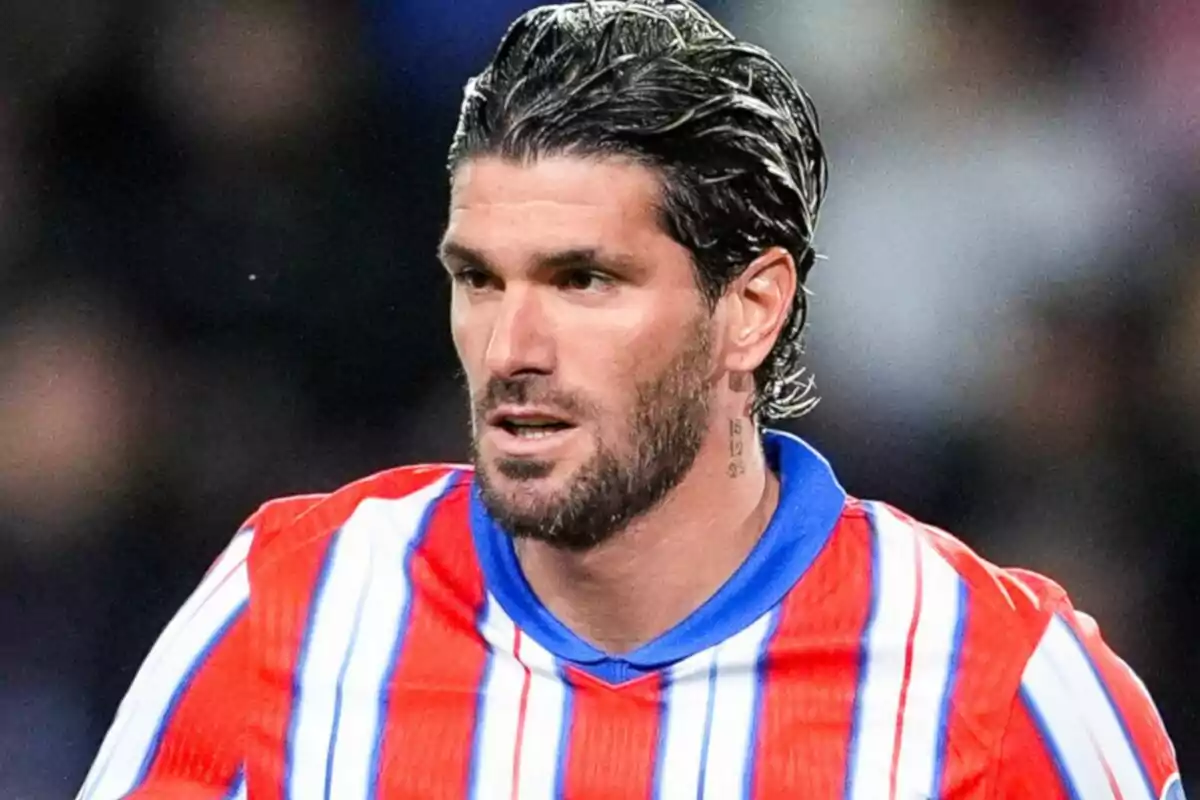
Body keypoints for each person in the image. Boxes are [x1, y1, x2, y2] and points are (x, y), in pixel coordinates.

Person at [77, 1, 1184, 798]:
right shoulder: (293, 606)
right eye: (479, 279)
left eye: (583, 279)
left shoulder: (995, 683)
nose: (512, 346)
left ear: (748, 308)